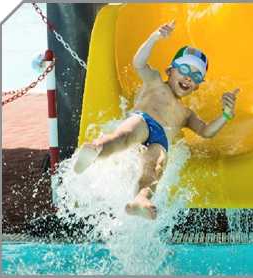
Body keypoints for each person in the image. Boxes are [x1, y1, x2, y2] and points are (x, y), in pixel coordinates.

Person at [83, 21, 239, 220]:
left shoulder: (186, 113)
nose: (189, 77)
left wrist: (226, 114)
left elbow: (207, 132)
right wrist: (155, 37)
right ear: (169, 71)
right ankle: (97, 149)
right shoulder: (155, 81)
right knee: (125, 135)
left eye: (196, 76)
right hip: (142, 121)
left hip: (160, 140)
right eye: (184, 70)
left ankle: (140, 200)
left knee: (155, 167)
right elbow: (138, 63)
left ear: (198, 86)